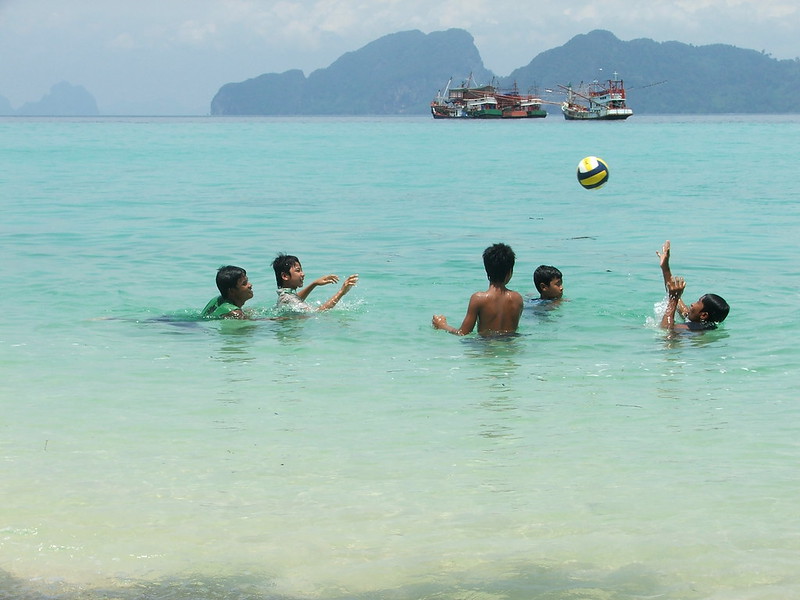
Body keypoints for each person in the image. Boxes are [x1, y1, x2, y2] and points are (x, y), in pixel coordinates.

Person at [432, 243, 524, 336]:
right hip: (511, 346)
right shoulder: (517, 299)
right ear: (509, 272)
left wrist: (442, 325)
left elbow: (463, 333)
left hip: (486, 346)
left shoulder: (479, 299)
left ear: (487, 270)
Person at [657, 240, 729, 330]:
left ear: (703, 315)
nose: (692, 304)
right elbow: (672, 292)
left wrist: (673, 300)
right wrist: (665, 266)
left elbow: (665, 329)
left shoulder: (695, 328)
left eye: (698, 302)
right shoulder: (696, 318)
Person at [272, 253, 358, 312]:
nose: (303, 274)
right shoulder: (288, 298)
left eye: (301, 270)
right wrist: (341, 292)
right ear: (285, 276)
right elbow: (318, 312)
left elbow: (296, 298)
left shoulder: (286, 295)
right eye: (298, 271)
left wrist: (314, 284)